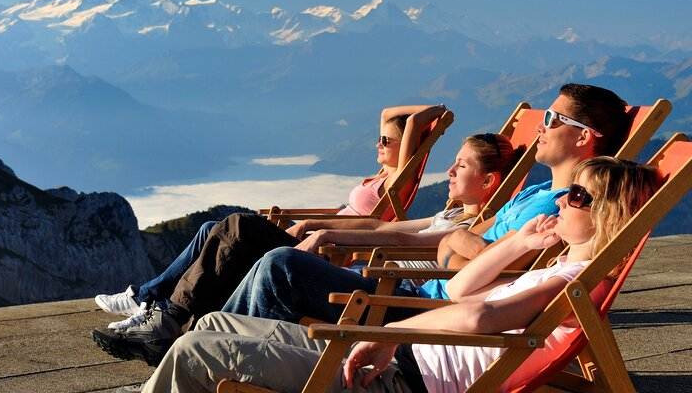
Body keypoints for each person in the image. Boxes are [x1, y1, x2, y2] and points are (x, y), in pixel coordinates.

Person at [93, 83, 631, 368]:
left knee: (269, 258)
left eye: (555, 121)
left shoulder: (567, 207)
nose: (543, 127)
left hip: (425, 305)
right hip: (420, 285)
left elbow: (482, 271)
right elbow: (445, 241)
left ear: (584, 139)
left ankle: (193, 342)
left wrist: (457, 241)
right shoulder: (539, 193)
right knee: (245, 238)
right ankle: (182, 331)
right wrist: (347, 235)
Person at [138, 157, 663, 393]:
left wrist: (385, 336)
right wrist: (519, 243)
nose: (563, 198)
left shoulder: (573, 282)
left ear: (609, 217)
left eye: (578, 195)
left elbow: (479, 313)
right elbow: (459, 289)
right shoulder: (564, 266)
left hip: (393, 376)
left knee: (194, 350)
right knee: (211, 326)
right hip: (391, 352)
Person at [92, 131, 522, 367]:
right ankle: (159, 307)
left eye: (461, 165)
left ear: (487, 182)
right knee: (213, 227)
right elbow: (383, 224)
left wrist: (330, 238)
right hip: (367, 275)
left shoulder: (467, 224)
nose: (449, 169)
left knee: (241, 230)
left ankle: (171, 320)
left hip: (388, 293)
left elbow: (401, 240)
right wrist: (320, 224)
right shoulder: (450, 214)